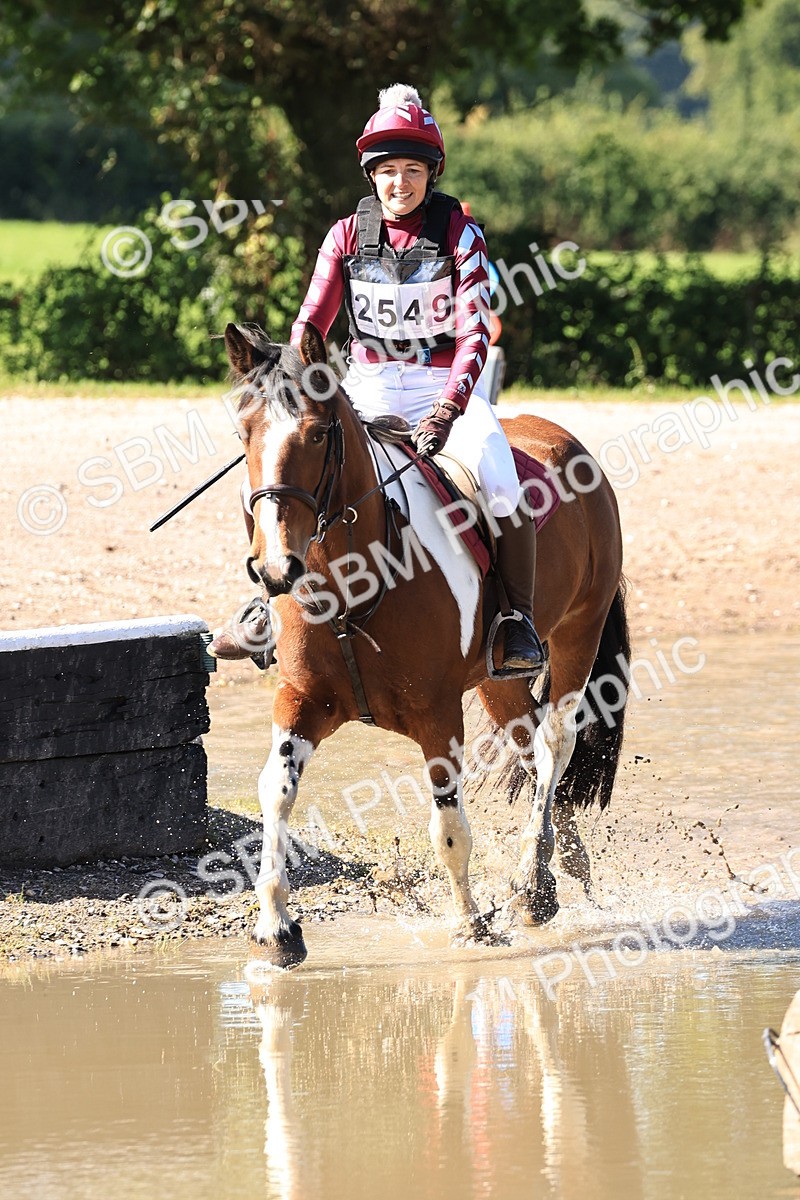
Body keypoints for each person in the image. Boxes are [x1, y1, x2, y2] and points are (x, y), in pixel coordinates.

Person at [211, 83, 545, 675]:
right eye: (388, 171)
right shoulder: (344, 235)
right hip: (365, 388)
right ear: (372, 175)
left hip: (444, 389)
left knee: (498, 476)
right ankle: (268, 608)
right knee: (264, 479)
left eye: (412, 170)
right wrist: (289, 392)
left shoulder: (458, 235)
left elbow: (473, 334)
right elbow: (311, 319)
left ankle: (513, 622)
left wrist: (447, 410)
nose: (400, 183)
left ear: (430, 173)